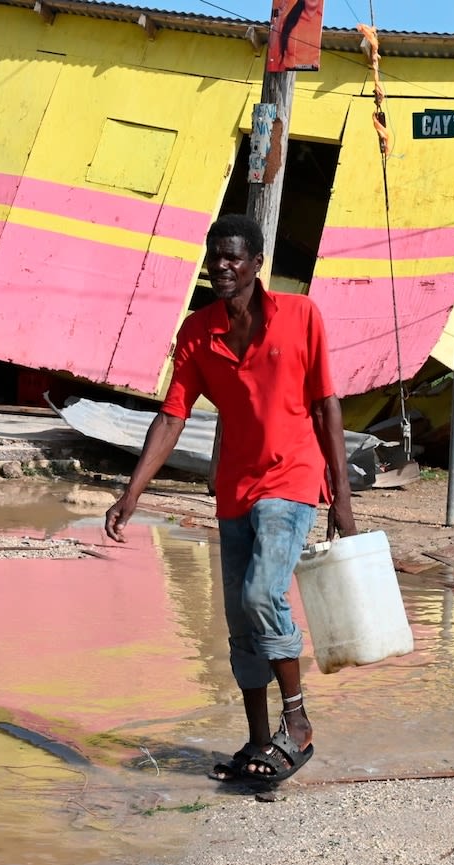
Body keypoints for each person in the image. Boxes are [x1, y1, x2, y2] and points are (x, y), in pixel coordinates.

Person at [104, 214, 356, 785]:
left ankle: (299, 724)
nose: (221, 265)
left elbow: (326, 407)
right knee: (239, 618)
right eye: (214, 255)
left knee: (262, 592)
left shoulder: (301, 316)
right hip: (234, 489)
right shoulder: (197, 332)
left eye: (234, 256)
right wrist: (131, 493)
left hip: (292, 479)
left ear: (257, 262)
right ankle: (258, 740)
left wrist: (342, 500)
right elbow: (172, 415)